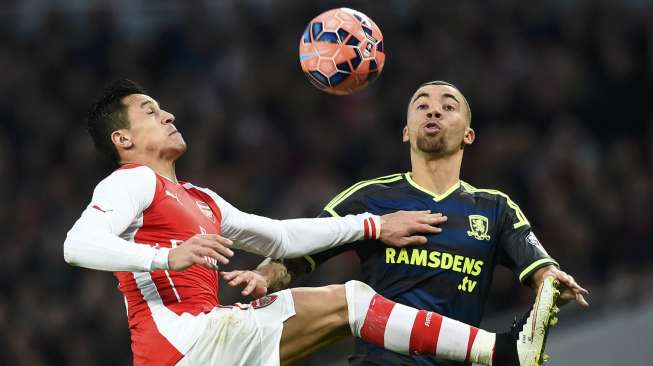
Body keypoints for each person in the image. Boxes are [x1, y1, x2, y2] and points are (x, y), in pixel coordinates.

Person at [63, 79, 559, 366]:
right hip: (183, 346)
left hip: (207, 347)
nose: (167, 114)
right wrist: (164, 256)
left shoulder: (198, 198)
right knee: (351, 301)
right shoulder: (131, 183)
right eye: (150, 112)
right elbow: (78, 244)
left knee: (350, 306)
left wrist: (372, 227)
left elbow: (279, 236)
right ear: (123, 140)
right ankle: (504, 353)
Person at [239, 80, 589, 365]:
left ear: (469, 135)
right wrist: (265, 275)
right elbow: (302, 254)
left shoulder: (496, 209)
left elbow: (542, 271)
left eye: (448, 106)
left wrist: (551, 281)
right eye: (422, 105)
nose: (434, 109)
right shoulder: (369, 198)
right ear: (406, 132)